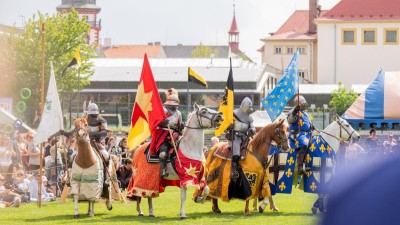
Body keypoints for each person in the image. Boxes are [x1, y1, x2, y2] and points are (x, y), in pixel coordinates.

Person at [149, 88, 184, 178]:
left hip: (175, 134)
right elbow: (155, 121)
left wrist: (181, 127)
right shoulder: (163, 110)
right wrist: (162, 122)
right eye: (174, 104)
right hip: (163, 133)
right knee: (163, 153)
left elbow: (179, 125)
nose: (176, 106)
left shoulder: (179, 113)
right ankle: (163, 170)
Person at [227, 97, 256, 180]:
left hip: (246, 138)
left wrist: (252, 130)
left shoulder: (249, 117)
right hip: (235, 137)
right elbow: (226, 126)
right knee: (236, 147)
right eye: (247, 106)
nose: (248, 109)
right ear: (243, 105)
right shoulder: (234, 113)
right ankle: (234, 169)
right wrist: (230, 126)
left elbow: (253, 127)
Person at [287, 95, 314, 175]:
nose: (305, 105)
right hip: (297, 133)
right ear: (298, 104)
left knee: (313, 144)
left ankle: (306, 164)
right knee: (304, 144)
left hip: (307, 134)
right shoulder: (292, 111)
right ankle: (300, 166)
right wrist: (295, 111)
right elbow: (290, 120)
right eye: (303, 104)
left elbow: (307, 122)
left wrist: (311, 125)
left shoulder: (305, 113)